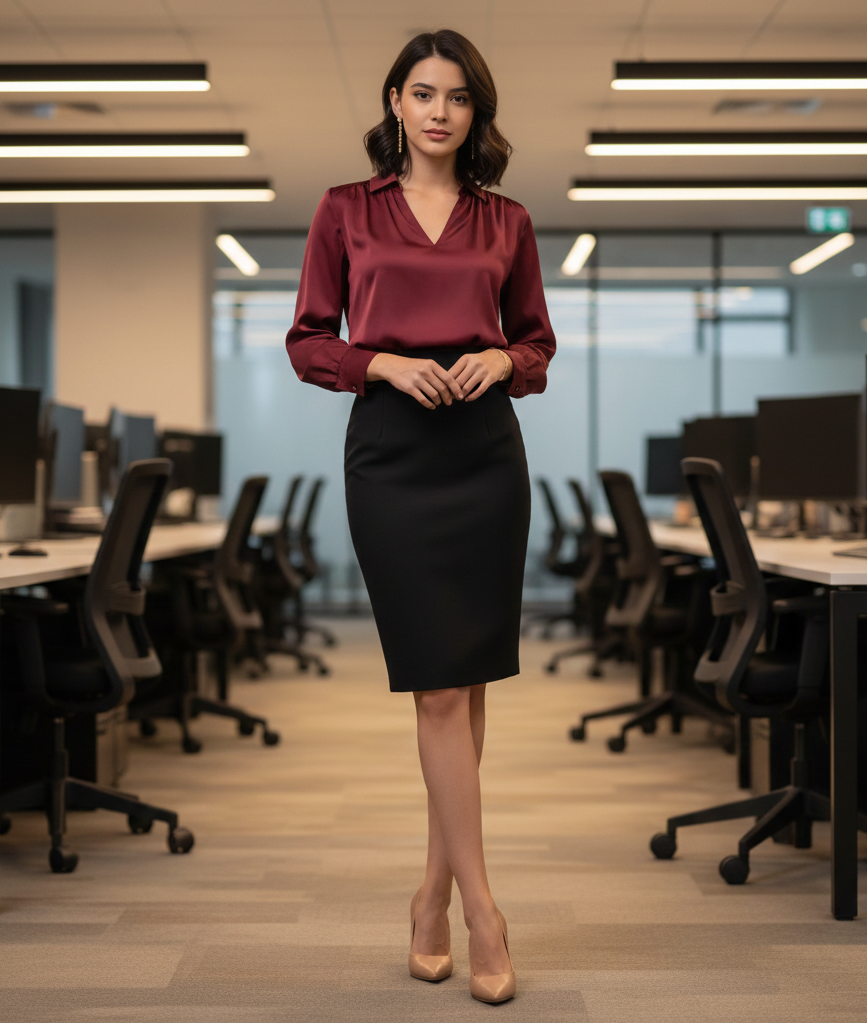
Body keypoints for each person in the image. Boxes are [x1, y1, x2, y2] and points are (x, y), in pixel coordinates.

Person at [285, 28, 555, 1004]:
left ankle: (432, 894)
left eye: (460, 98)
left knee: (467, 686)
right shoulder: (343, 212)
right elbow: (309, 340)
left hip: (485, 459)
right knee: (439, 689)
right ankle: (485, 909)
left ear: (475, 114)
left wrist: (504, 363)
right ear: (396, 103)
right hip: (393, 461)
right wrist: (382, 362)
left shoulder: (507, 222)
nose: (441, 111)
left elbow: (537, 345)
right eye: (424, 92)